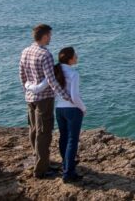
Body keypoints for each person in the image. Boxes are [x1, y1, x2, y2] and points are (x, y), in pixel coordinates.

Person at [19, 24, 72, 179]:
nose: (50, 38)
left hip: (30, 98)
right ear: (44, 36)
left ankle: (39, 159)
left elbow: (22, 75)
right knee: (44, 133)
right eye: (49, 35)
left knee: (34, 129)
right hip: (44, 99)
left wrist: (27, 91)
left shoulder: (25, 51)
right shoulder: (45, 55)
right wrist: (66, 96)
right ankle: (41, 169)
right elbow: (52, 80)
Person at [52, 47, 86, 183]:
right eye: (75, 55)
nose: (77, 57)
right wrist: (83, 109)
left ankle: (66, 164)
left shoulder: (55, 70)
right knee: (72, 141)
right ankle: (68, 173)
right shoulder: (73, 73)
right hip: (72, 110)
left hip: (59, 109)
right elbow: (75, 97)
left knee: (63, 138)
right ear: (70, 59)